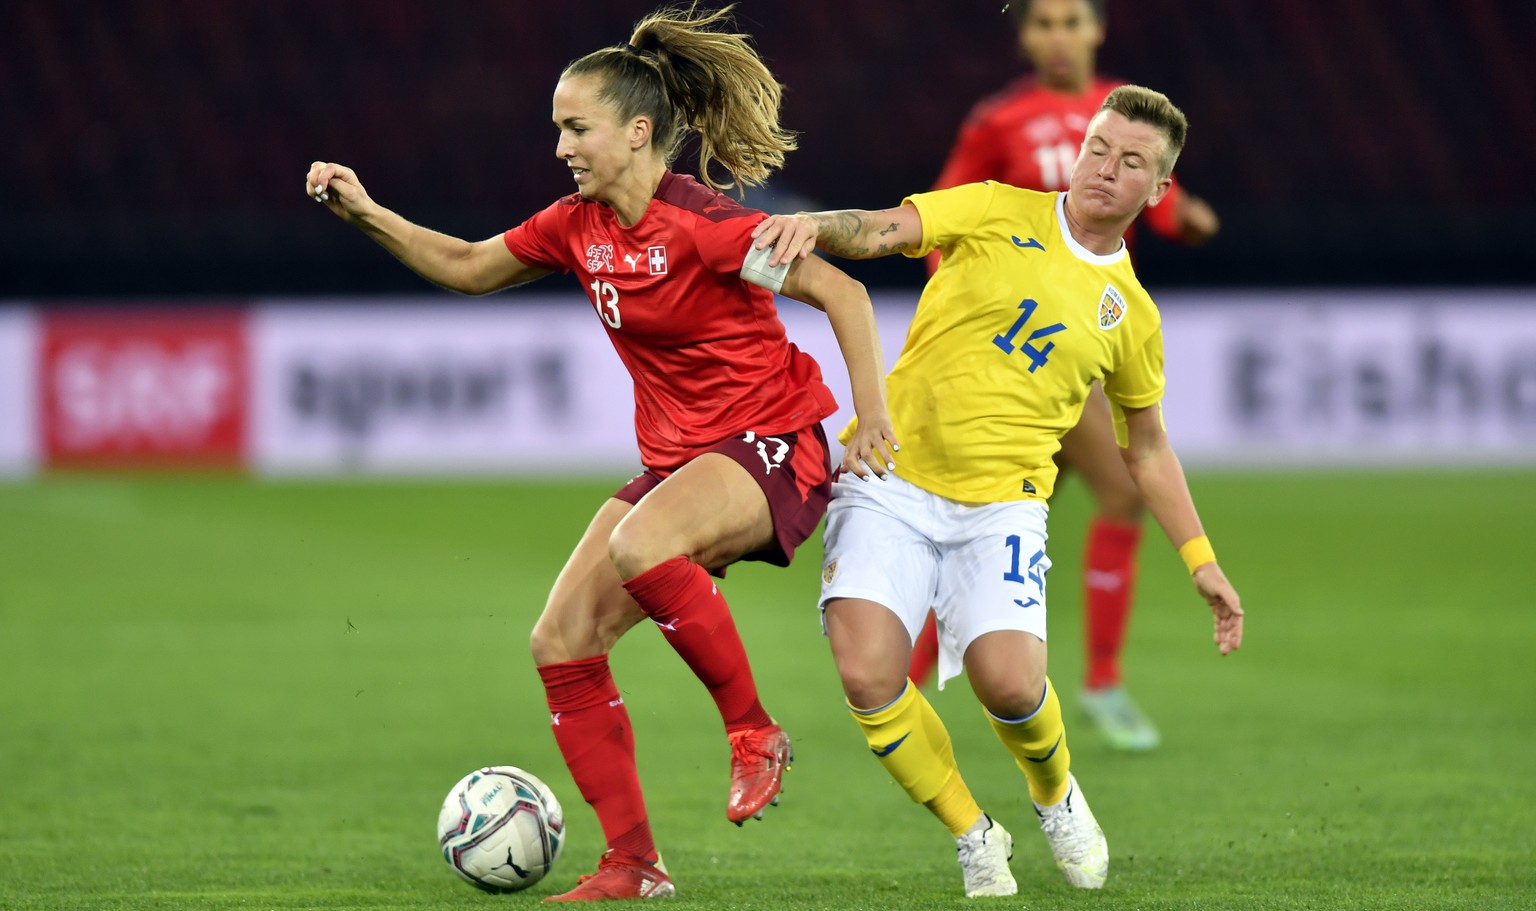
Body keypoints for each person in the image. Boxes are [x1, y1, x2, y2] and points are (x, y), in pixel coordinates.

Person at [305, 5, 898, 901]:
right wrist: (364, 212)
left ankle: (752, 731)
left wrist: (874, 418)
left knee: (640, 545)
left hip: (775, 445)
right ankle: (633, 863)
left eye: (575, 128)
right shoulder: (576, 226)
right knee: (560, 638)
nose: (561, 148)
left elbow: (843, 292)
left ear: (637, 131)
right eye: (557, 130)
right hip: (682, 462)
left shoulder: (707, 227)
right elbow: (469, 265)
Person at [751, 85, 1243, 897]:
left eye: (1132, 163)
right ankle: (975, 835)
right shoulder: (993, 207)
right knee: (870, 676)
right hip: (889, 478)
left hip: (1005, 505)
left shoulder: (1133, 317)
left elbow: (1147, 448)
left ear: (1158, 192)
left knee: (1011, 684)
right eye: (1098, 148)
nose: (1105, 170)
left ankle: (1057, 797)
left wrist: (1201, 559)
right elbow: (879, 230)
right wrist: (817, 225)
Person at [906, 0, 1223, 752]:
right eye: (1042, 22)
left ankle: (926, 679)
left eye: (1070, 21)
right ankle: (1093, 683)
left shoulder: (1122, 118)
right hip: (1022, 356)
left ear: (1096, 30)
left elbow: (1162, 204)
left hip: (1092, 344)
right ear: (1024, 37)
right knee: (1091, 495)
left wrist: (1191, 219)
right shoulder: (998, 120)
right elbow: (947, 220)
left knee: (1011, 518)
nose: (1057, 35)